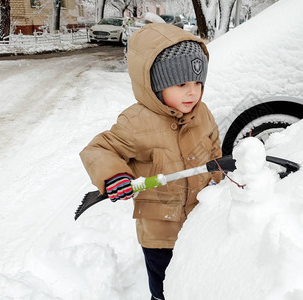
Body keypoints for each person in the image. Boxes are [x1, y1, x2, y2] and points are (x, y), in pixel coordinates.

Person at [79, 23, 222, 300]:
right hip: (160, 232)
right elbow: (99, 150)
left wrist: (219, 181)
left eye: (197, 83)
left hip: (202, 221)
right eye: (181, 84)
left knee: (197, 279)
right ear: (155, 84)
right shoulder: (136, 122)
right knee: (165, 287)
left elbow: (214, 148)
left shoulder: (202, 113)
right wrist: (114, 177)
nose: (192, 92)